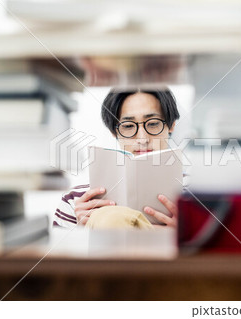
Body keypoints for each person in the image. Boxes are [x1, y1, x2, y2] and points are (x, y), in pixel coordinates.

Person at [53, 87, 180, 229]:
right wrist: (82, 228)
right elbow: (57, 250)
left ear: (171, 125)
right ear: (114, 132)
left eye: (153, 123)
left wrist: (187, 234)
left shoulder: (196, 198)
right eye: (128, 126)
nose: (142, 139)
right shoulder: (77, 202)